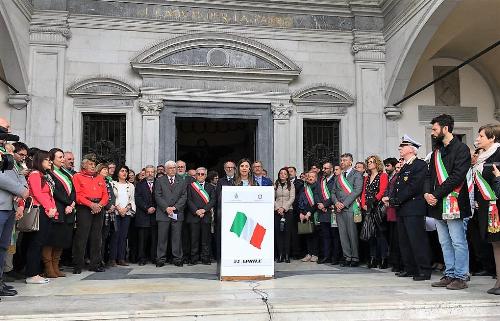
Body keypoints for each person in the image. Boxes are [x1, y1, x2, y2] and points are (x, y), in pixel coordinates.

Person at [424, 114, 471, 290]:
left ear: (445, 128)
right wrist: (427, 193)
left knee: (458, 241)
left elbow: (457, 177)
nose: (433, 133)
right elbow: (428, 175)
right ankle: (449, 273)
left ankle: (461, 276)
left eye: (435, 129)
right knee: (444, 241)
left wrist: (435, 194)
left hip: (454, 202)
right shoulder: (436, 152)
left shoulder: (462, 149)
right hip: (436, 203)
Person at [382, 135, 432, 281]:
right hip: (403, 208)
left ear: (411, 149)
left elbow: (413, 187)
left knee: (417, 240)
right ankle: (410, 268)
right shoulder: (406, 165)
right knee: (404, 241)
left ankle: (423, 270)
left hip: (414, 207)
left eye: (402, 147)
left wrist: (394, 200)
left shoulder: (420, 165)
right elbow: (399, 186)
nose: (400, 149)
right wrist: (394, 200)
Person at [0, 121, 29, 295]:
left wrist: (23, 189)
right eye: (5, 130)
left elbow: (18, 174)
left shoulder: (5, 153)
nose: (7, 133)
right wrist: (20, 189)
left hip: (9, 205)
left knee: (3, 246)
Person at [473, 124, 500, 295]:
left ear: (492, 138)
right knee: (496, 244)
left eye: (481, 136)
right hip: (486, 207)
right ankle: (499, 281)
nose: (478, 139)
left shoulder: (498, 153)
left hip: (497, 205)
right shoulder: (482, 157)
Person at [72, 154, 109, 274]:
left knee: (97, 237)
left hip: (99, 207)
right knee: (82, 236)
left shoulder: (100, 178)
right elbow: (77, 195)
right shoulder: (77, 176)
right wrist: (90, 205)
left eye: (94, 164)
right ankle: (78, 264)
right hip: (84, 208)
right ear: (83, 165)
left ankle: (95, 264)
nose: (93, 167)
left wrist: (100, 205)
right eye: (90, 164)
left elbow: (105, 195)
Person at [25, 150, 58, 284]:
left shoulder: (43, 175)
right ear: (40, 161)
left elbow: (49, 194)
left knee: (40, 243)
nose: (50, 162)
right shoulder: (34, 174)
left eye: (50, 159)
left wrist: (53, 209)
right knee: (36, 243)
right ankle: (32, 274)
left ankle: (36, 273)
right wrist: (49, 208)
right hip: (40, 210)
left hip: (47, 211)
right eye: (47, 159)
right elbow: (37, 194)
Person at [46, 148, 76, 278]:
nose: (63, 159)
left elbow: (74, 189)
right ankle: (48, 267)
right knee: (52, 239)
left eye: (63, 157)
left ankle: (56, 266)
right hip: (58, 208)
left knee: (62, 240)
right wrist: (68, 203)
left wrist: (72, 203)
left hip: (69, 209)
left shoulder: (67, 173)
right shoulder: (49, 173)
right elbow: (55, 192)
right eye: (60, 157)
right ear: (52, 159)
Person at [155, 160, 187, 267]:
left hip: (177, 213)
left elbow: (184, 196)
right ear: (166, 170)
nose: (173, 170)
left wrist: (175, 207)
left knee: (177, 238)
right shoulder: (160, 180)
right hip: (163, 214)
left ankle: (177, 259)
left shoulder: (182, 181)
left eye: (174, 168)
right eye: (170, 168)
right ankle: (160, 259)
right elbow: (157, 196)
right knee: (162, 238)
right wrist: (166, 208)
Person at [333, 153, 363, 267]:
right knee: (343, 234)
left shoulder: (357, 174)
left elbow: (357, 190)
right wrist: (336, 202)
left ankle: (355, 257)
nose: (342, 162)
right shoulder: (338, 177)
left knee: (352, 234)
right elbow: (333, 192)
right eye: (341, 160)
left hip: (351, 207)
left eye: (345, 160)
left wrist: (344, 204)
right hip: (339, 209)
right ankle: (347, 256)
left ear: (351, 162)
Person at [361, 155, 389, 269]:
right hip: (368, 208)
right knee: (370, 233)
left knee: (380, 234)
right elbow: (364, 192)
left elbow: (383, 190)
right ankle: (373, 257)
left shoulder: (382, 175)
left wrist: (374, 200)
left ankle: (383, 258)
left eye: (371, 162)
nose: (369, 164)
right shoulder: (367, 178)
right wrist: (364, 204)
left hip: (378, 207)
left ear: (377, 163)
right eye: (368, 162)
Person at [186, 167, 216, 265]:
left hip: (206, 215)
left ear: (206, 176)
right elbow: (188, 200)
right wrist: (196, 211)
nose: (200, 176)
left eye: (202, 174)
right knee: (193, 239)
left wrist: (204, 210)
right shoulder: (191, 186)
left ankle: (205, 259)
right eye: (198, 174)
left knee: (205, 239)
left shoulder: (210, 187)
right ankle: (193, 259)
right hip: (193, 216)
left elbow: (213, 200)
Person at [109, 165, 135, 266]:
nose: (124, 173)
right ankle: (112, 259)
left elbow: (132, 199)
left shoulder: (131, 186)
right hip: (116, 212)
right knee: (115, 235)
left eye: (126, 171)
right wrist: (119, 208)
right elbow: (112, 198)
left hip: (126, 213)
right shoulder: (113, 184)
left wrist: (126, 208)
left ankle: (121, 258)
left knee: (123, 236)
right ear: (118, 173)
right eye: (122, 171)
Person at [316, 162, 342, 265]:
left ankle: (335, 257)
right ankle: (326, 256)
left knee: (334, 236)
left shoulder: (336, 180)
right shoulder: (321, 180)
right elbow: (316, 193)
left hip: (332, 211)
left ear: (331, 169)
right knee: (325, 236)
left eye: (326, 168)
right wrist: (319, 204)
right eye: (323, 168)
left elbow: (334, 194)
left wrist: (324, 205)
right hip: (322, 212)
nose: (324, 170)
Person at [135, 165, 157, 266]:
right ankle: (142, 258)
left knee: (154, 239)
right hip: (143, 215)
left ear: (154, 173)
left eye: (152, 172)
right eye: (148, 172)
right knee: (142, 239)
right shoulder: (139, 184)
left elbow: (161, 196)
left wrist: (154, 207)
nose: (150, 174)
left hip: (156, 215)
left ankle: (153, 257)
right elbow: (138, 198)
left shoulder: (159, 183)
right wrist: (147, 208)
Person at [383, 157, 402, 272]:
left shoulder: (397, 177)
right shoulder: (391, 177)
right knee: (393, 238)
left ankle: (399, 263)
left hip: (396, 210)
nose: (386, 168)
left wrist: (389, 198)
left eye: (388, 165)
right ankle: (395, 263)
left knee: (397, 239)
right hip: (390, 211)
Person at [96, 163, 115, 267]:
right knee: (99, 238)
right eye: (104, 169)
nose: (106, 171)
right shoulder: (97, 180)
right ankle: (98, 260)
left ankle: (102, 258)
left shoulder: (108, 181)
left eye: (107, 169)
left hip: (109, 214)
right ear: (99, 170)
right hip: (101, 211)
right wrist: (108, 206)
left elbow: (111, 195)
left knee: (104, 237)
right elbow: (100, 196)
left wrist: (112, 205)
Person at [274, 167, 295, 263]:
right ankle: (280, 255)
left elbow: (292, 198)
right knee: (278, 233)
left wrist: (284, 208)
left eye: (285, 174)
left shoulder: (291, 185)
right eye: (281, 173)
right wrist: (278, 208)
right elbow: (272, 197)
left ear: (287, 175)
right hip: (277, 212)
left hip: (288, 212)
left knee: (287, 233)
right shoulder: (275, 185)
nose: (283, 175)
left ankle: (287, 255)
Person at [299, 171, 319, 262]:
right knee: (307, 234)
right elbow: (300, 201)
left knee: (315, 235)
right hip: (304, 214)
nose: (310, 178)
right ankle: (309, 253)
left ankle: (315, 254)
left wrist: (309, 213)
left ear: (315, 178)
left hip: (314, 214)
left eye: (312, 176)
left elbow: (316, 202)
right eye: (309, 176)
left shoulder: (318, 187)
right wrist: (301, 212)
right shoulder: (304, 188)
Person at [288, 166, 304, 259]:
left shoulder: (299, 182)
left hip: (296, 210)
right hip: (287, 210)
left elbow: (299, 196)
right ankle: (289, 251)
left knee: (296, 233)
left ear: (295, 172)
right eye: (288, 171)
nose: (290, 173)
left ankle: (297, 253)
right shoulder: (283, 183)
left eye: (291, 171)